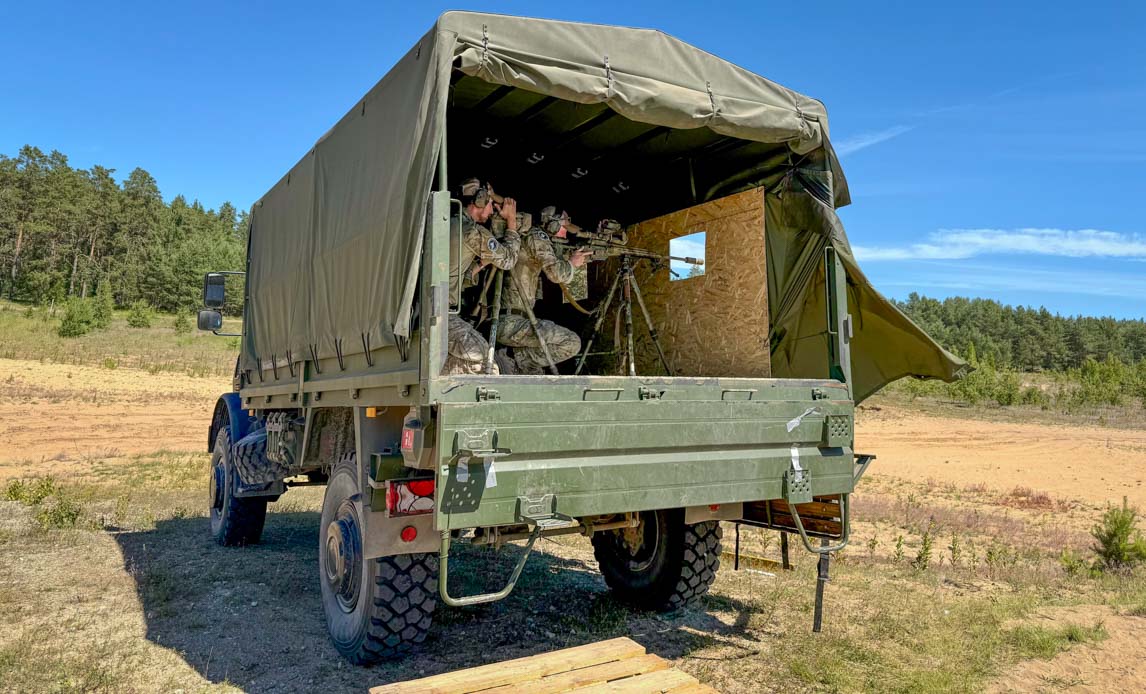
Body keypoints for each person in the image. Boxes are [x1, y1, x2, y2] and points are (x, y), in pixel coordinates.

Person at [497, 206, 593, 374]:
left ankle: (517, 358)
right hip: (510, 322)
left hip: (512, 321)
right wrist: (572, 263)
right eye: (565, 223)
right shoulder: (537, 236)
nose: (567, 228)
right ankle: (517, 357)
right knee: (571, 342)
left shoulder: (534, 239)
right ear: (553, 224)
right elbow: (556, 274)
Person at [442, 178, 521, 375]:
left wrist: (481, 263)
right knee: (488, 365)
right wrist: (511, 222)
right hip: (444, 316)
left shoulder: (450, 225)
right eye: (490, 204)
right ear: (479, 201)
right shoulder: (472, 232)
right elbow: (509, 259)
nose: (493, 211)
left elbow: (454, 273)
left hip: (434, 314)